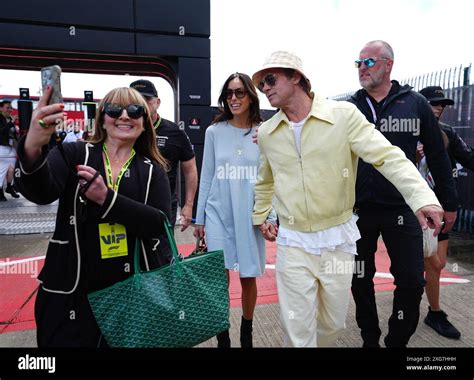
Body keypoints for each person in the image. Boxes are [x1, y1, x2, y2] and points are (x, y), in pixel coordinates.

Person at [251, 50, 444, 348]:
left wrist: (421, 198)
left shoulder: (343, 116)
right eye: (261, 83)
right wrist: (261, 215)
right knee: (296, 325)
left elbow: (387, 156)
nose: (264, 87)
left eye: (271, 79)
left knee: (332, 322)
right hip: (293, 241)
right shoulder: (267, 133)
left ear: (297, 77)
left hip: (338, 239)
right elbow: (265, 181)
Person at [14, 86, 171, 347]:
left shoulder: (153, 170)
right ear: (102, 119)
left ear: (145, 122)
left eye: (134, 111)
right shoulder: (75, 153)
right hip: (70, 289)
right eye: (113, 110)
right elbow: (41, 192)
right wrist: (32, 145)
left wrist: (107, 199)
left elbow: (160, 224)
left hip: (130, 292)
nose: (124, 116)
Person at [348, 41, 458, 347]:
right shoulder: (350, 106)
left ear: (388, 64)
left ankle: (396, 342)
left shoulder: (415, 103)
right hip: (358, 211)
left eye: (368, 62)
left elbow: (437, 153)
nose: (361, 68)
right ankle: (370, 337)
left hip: (403, 207)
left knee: (411, 282)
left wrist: (448, 204)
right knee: (358, 278)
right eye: (358, 63)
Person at [194, 72, 274, 348]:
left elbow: (272, 178)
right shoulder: (214, 132)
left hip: (251, 214)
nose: (234, 98)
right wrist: (199, 217)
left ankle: (247, 332)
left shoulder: (266, 132)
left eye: (240, 92)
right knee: (220, 278)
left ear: (251, 96)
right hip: (218, 213)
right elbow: (206, 176)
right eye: (229, 93)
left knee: (248, 275)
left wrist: (270, 215)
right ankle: (223, 336)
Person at [418, 85, 474, 340]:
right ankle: (431, 306)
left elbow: (468, 158)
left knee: (437, 263)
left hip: (439, 210)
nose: (439, 107)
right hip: (410, 211)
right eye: (434, 103)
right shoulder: (405, 132)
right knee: (429, 263)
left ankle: (433, 312)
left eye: (442, 104)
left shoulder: (447, 133)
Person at [130, 79, 198, 230]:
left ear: (157, 102)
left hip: (163, 205)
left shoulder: (174, 131)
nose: (142, 104)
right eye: (135, 100)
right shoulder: (122, 129)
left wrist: (188, 206)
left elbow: (190, 169)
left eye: (146, 99)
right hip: (128, 202)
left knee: (162, 252)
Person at [0, 99, 19, 200]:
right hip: (2, 147)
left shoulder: (10, 119)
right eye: (7, 108)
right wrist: (11, 123)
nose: (10, 110)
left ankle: (9, 187)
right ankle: (0, 192)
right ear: (1, 108)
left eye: (11, 108)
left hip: (11, 148)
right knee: (2, 171)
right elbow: (2, 131)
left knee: (11, 169)